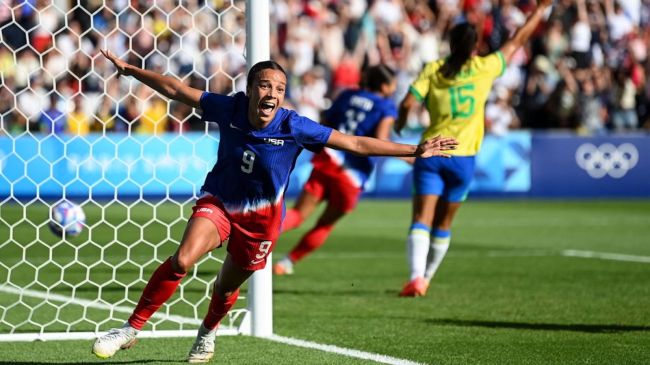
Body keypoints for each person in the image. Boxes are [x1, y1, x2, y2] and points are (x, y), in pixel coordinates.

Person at [91, 49, 458, 362]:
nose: (272, 93)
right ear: (250, 89)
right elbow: (175, 88)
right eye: (265, 85)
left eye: (280, 89)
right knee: (183, 259)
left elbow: (356, 145)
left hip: (261, 223)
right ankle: (129, 329)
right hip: (220, 202)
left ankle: (208, 330)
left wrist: (415, 148)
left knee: (224, 287)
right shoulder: (229, 107)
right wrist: (132, 72)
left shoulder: (294, 126)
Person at [394, 0, 553, 297]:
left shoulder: (435, 69)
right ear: (474, 47)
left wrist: (402, 124)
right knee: (444, 222)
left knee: (420, 219)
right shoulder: (485, 67)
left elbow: (407, 103)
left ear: (450, 44)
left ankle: (415, 277)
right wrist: (540, 9)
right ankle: (426, 278)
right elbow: (518, 38)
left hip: (431, 153)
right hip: (463, 158)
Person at [274, 64, 399, 276]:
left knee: (297, 214)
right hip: (352, 176)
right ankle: (286, 263)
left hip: (327, 160)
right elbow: (381, 139)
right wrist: (408, 156)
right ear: (385, 85)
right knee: (324, 225)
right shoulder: (386, 107)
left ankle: (256, 239)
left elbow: (324, 122)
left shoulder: (347, 94)